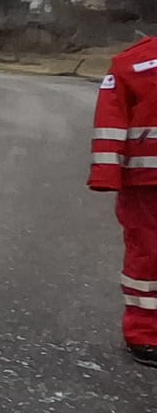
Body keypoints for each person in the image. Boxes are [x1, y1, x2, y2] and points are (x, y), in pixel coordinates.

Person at [89, 35, 157, 366]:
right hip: (146, 182)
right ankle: (145, 334)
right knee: (148, 256)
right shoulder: (132, 63)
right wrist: (106, 173)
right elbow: (110, 121)